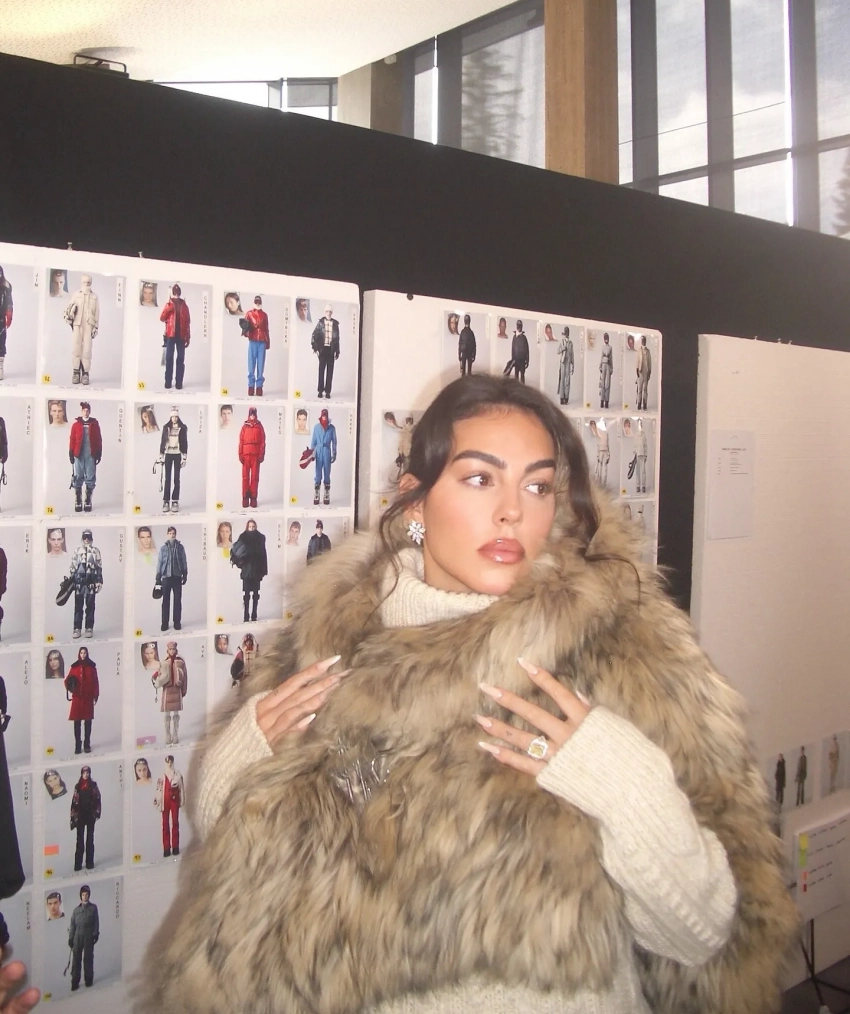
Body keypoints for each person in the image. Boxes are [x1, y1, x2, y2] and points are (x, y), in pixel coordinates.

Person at [152, 374, 796, 1014]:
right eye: (481, 478)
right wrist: (244, 751)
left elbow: (700, 937)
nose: (513, 510)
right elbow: (234, 864)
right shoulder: (327, 644)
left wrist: (622, 782)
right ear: (415, 502)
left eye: (537, 486)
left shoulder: (619, 649)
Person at [62, 274, 99, 386]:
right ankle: (76, 372)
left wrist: (96, 327)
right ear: (81, 282)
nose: (86, 284)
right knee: (76, 348)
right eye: (85, 282)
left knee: (87, 349)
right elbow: (68, 310)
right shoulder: (76, 295)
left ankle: (85, 373)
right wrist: (69, 316)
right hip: (77, 324)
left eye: (88, 282)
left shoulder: (94, 297)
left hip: (89, 324)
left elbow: (97, 313)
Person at [68, 402, 102, 513]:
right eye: (84, 410)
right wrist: (71, 451)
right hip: (79, 454)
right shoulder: (76, 425)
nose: (86, 412)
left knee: (91, 476)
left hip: (91, 454)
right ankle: (78, 500)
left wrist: (99, 452)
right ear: (81, 411)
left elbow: (98, 438)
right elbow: (72, 439)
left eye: (87, 410)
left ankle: (88, 500)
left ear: (90, 411)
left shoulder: (94, 424)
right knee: (78, 476)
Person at [68, 530, 102, 640]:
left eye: (88, 537)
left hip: (91, 582)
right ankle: (77, 628)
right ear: (82, 538)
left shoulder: (96, 551)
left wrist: (99, 581)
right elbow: (73, 566)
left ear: (91, 538)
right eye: (84, 537)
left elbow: (99, 567)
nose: (86, 539)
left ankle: (89, 628)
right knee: (78, 606)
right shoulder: (77, 551)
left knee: (90, 606)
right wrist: (71, 581)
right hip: (79, 582)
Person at [231, 519, 267, 623]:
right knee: (246, 594)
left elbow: (263, 555)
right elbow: (236, 551)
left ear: (256, 527)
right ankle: (246, 615)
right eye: (250, 526)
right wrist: (240, 562)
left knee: (256, 594)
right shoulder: (243, 537)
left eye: (253, 526)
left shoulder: (260, 538)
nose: (251, 528)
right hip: (246, 570)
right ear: (247, 527)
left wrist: (263, 570)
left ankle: (254, 614)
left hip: (256, 570)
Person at [64, 646, 99, 754]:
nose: (83, 655)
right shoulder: (74, 667)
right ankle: (77, 745)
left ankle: (87, 744)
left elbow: (95, 681)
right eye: (81, 653)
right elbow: (67, 680)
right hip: (77, 698)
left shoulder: (92, 667)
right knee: (77, 722)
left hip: (88, 698)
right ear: (79, 654)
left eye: (85, 653)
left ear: (87, 654)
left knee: (88, 722)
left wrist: (95, 695)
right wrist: (70, 686)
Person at [154, 642, 188, 746]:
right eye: (170, 649)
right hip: (167, 690)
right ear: (167, 650)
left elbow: (185, 677)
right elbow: (159, 673)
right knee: (167, 714)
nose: (172, 651)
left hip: (177, 689)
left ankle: (175, 734)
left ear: (176, 649)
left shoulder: (180, 661)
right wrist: (156, 676)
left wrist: (184, 690)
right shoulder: (164, 662)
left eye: (173, 649)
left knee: (176, 714)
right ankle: (168, 735)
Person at [156, 527, 188, 633]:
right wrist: (158, 577)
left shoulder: (180, 547)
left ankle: (177, 622)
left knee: (177, 601)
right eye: (170, 533)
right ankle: (164, 623)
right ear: (167, 534)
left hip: (177, 576)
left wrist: (185, 573)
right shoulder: (163, 549)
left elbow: (183, 560)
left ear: (176, 534)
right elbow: (159, 562)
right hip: (166, 576)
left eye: (173, 533)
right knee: (165, 601)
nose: (172, 535)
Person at [68, 884, 99, 990]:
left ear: (89, 895)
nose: (85, 896)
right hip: (78, 936)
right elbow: (72, 925)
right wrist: (71, 938)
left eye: (86, 894)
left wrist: (96, 933)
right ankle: (75, 981)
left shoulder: (93, 908)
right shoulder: (76, 910)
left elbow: (96, 922)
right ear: (80, 896)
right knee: (76, 959)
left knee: (88, 958)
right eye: (83, 895)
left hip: (88, 935)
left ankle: (89, 979)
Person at [70, 766, 101, 872]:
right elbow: (74, 801)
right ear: (81, 774)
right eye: (84, 773)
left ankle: (90, 863)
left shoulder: (93, 785)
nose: (86, 774)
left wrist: (96, 813)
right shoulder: (78, 786)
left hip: (90, 816)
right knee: (80, 841)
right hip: (80, 816)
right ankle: (78, 865)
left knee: (90, 840)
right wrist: (73, 817)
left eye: (87, 773)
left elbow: (98, 798)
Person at [160, 284, 191, 391]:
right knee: (169, 358)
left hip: (181, 336)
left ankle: (179, 382)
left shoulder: (184, 305)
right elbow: (162, 318)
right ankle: (168, 382)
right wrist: (168, 308)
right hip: (170, 335)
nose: (176, 293)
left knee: (180, 359)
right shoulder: (169, 304)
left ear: (180, 293)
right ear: (173, 292)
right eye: (175, 291)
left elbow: (187, 322)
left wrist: (188, 337)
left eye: (178, 292)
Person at [157, 407, 187, 513]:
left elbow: (184, 442)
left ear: (178, 417)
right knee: (167, 479)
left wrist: (184, 457)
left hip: (177, 454)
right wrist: (161, 455)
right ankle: (166, 501)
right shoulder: (166, 427)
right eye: (173, 416)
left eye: (176, 416)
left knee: (176, 479)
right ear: (170, 417)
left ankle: (175, 501)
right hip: (168, 454)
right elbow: (162, 441)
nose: (174, 418)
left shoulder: (182, 428)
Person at [155, 755, 185, 857]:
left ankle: (175, 846)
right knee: (165, 824)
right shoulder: (162, 776)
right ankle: (166, 848)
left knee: (175, 823)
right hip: (165, 802)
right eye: (168, 762)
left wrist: (182, 800)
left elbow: (181, 788)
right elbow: (158, 789)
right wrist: (157, 801)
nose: (169, 764)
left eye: (171, 762)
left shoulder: (177, 775)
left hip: (174, 801)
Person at [241, 294, 270, 396]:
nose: (257, 303)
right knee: (251, 363)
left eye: (259, 302)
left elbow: (266, 329)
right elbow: (244, 326)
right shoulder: (249, 313)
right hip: (253, 340)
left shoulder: (264, 315)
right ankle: (251, 385)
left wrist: (268, 342)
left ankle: (259, 386)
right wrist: (246, 332)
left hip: (262, 341)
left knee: (261, 365)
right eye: (256, 302)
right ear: (254, 302)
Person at [238, 407, 265, 508]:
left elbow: (262, 441)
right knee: (245, 478)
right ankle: (245, 499)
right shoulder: (245, 427)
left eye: (254, 414)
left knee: (254, 478)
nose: (252, 416)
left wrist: (261, 454)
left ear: (256, 414)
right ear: (249, 415)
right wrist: (240, 454)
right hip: (246, 456)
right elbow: (241, 442)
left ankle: (253, 499)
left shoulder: (259, 426)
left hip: (255, 456)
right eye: (251, 414)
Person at [309, 407, 337, 506]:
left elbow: (334, 442)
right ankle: (316, 493)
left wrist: (334, 453)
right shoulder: (316, 427)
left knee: (327, 472)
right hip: (318, 451)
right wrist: (312, 454)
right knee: (318, 473)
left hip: (327, 451)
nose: (324, 417)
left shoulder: (331, 428)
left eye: (326, 415)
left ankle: (326, 493)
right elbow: (313, 442)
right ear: (321, 415)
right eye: (323, 415)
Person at [310, 306, 340, 399]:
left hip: (331, 350)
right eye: (327, 311)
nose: (328, 313)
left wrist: (337, 351)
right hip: (322, 349)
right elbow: (314, 335)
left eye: (330, 311)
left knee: (330, 372)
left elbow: (337, 338)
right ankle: (320, 390)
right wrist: (316, 348)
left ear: (332, 313)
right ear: (324, 312)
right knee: (321, 371)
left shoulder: (335, 324)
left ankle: (328, 391)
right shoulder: (321, 323)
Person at [503, 319, 529, 383]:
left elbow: (527, 349)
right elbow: (513, 349)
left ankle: (522, 387)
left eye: (520, 326)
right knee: (516, 375)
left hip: (522, 360)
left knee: (522, 375)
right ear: (516, 326)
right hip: (516, 360)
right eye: (518, 325)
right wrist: (513, 359)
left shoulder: (524, 338)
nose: (519, 327)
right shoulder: (514, 337)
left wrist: (527, 360)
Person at [588, 418, 610, 487]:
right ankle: (601, 482)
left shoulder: (602, 433)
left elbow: (607, 443)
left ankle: (602, 482)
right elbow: (600, 443)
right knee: (600, 467)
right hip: (601, 451)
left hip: (603, 451)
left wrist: (608, 454)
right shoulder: (600, 433)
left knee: (602, 467)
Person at [0, 264, 13, 381]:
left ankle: (0, 367)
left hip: (1, 319)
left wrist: (9, 314)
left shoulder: (6, 286)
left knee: (1, 342)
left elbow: (9, 302)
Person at [557, 326, 575, 405]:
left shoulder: (571, 343)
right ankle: (562, 397)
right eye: (566, 332)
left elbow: (572, 354)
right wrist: (562, 348)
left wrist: (573, 365)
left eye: (567, 332)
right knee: (562, 380)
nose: (567, 333)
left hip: (568, 362)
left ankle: (566, 397)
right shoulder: (562, 341)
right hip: (563, 362)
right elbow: (557, 351)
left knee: (567, 380)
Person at [636, 335, 652, 411]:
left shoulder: (648, 351)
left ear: (646, 341)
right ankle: (639, 403)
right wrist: (636, 369)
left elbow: (649, 362)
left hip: (646, 371)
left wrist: (650, 372)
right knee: (640, 389)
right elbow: (637, 360)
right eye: (642, 340)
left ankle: (645, 404)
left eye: (644, 340)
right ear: (641, 341)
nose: (643, 342)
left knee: (645, 388)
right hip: (640, 371)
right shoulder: (639, 350)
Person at [633, 418, 648, 494]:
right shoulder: (635, 435)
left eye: (640, 423)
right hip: (637, 455)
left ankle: (643, 486)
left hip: (643, 454)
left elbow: (645, 446)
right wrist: (634, 453)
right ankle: (638, 486)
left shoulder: (644, 435)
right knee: (637, 471)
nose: (640, 425)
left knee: (643, 471)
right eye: (638, 423)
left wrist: (646, 455)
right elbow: (634, 445)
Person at [599, 331, 613, 409]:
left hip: (608, 365)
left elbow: (611, 358)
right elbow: (601, 357)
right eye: (605, 338)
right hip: (603, 364)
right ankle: (602, 401)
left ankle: (606, 401)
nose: (606, 339)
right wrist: (600, 366)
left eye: (607, 338)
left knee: (608, 383)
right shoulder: (602, 347)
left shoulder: (610, 347)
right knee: (602, 383)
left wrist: (612, 368)